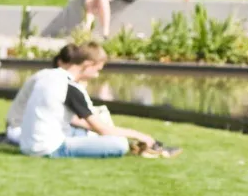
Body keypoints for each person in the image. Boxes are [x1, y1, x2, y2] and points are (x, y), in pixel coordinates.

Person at [18, 42, 166, 158]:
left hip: (27, 144)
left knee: (85, 133)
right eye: (97, 70)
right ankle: (142, 146)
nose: (96, 75)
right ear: (87, 65)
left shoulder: (47, 75)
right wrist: (141, 135)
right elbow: (103, 129)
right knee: (119, 144)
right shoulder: (71, 88)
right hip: (48, 148)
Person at [5, 45, 74, 144]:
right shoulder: (50, 80)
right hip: (22, 130)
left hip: (23, 129)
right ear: (61, 63)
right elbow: (69, 117)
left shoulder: (47, 76)